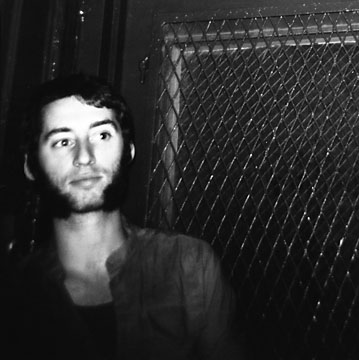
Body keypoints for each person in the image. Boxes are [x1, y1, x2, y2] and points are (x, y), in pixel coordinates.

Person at [3, 73, 244, 360]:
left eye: (102, 135)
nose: (84, 156)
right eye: (63, 141)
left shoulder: (189, 266)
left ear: (128, 151)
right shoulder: (13, 295)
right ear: (31, 166)